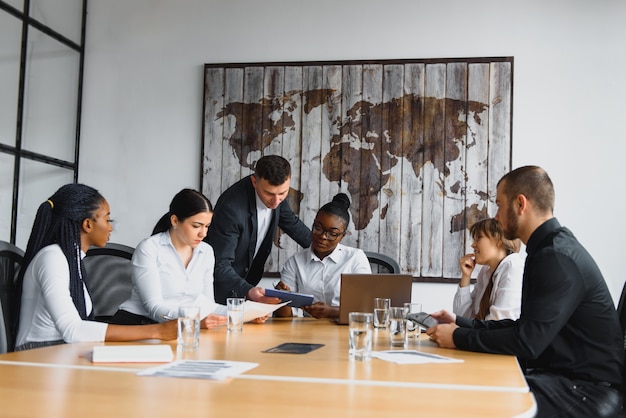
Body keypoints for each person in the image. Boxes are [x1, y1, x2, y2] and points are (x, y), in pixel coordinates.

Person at [427, 166, 624, 417]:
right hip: (564, 380)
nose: (496, 216)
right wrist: (462, 324)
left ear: (520, 204)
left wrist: (458, 337)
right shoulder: (546, 250)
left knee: (470, 394)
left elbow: (527, 342)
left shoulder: (557, 256)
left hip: (588, 392)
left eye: (499, 205)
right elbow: (523, 328)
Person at [15, 184, 177, 351]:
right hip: (37, 353)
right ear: (88, 224)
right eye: (107, 220)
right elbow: (73, 330)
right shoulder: (52, 258)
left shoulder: (73, 260)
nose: (110, 227)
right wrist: (157, 331)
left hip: (62, 350)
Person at [110, 189, 228, 329]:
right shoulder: (149, 248)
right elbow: (154, 307)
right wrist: (192, 320)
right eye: (196, 226)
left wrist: (245, 313)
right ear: (175, 220)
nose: (203, 233)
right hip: (138, 324)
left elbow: (208, 305)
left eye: (207, 226)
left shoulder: (206, 252)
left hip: (183, 327)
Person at [207, 155, 311, 304]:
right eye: (269, 194)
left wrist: (331, 251)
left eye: (282, 193)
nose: (276, 201)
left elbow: (294, 226)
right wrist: (248, 291)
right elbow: (220, 264)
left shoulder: (276, 197)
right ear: (254, 181)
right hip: (221, 292)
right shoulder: (231, 209)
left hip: (248, 286)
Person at [274, 193, 371, 319]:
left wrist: (333, 312)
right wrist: (282, 299)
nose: (323, 236)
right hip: (307, 331)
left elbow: (367, 308)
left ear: (343, 236)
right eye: (318, 228)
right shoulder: (295, 262)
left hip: (345, 331)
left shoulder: (355, 258)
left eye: (332, 233)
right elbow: (285, 318)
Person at [453, 218, 524, 320]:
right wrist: (466, 276)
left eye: (479, 238)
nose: (473, 245)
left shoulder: (514, 268)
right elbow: (463, 318)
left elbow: (498, 322)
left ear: (499, 240)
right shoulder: (486, 272)